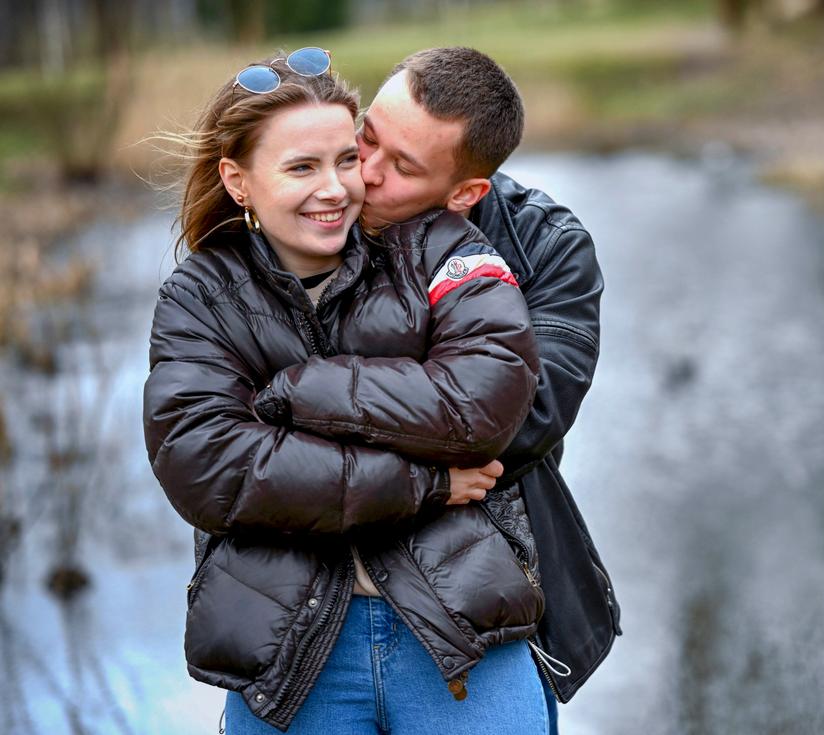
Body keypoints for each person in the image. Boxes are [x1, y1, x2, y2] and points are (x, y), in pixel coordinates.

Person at [143, 47, 552, 733]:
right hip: (288, 651)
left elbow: (482, 405)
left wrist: (300, 391)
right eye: (301, 167)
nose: (336, 187)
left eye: (343, 157)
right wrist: (426, 483)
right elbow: (211, 468)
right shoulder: (199, 297)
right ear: (238, 180)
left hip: (457, 630)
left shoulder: (443, 249)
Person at [260, 47, 623, 732]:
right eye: (368, 135)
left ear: (465, 194)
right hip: (295, 604)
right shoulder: (298, 208)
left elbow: (520, 419)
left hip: (475, 604)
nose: (361, 174)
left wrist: (313, 413)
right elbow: (233, 431)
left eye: (401, 167)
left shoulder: (549, 247)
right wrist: (433, 450)